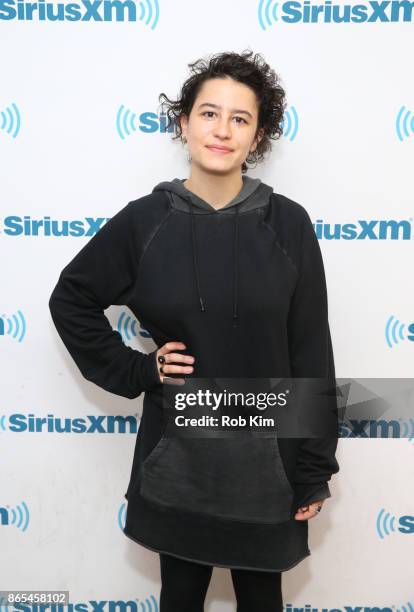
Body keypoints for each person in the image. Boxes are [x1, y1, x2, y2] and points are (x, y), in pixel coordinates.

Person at [48, 49, 340, 611]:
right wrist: (139, 369)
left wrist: (313, 469)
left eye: (240, 118)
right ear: (183, 123)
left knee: (262, 598)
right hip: (177, 465)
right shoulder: (144, 222)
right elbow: (72, 299)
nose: (222, 130)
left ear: (258, 137)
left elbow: (311, 353)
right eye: (209, 113)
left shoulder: (289, 225)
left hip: (267, 469)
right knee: (180, 597)